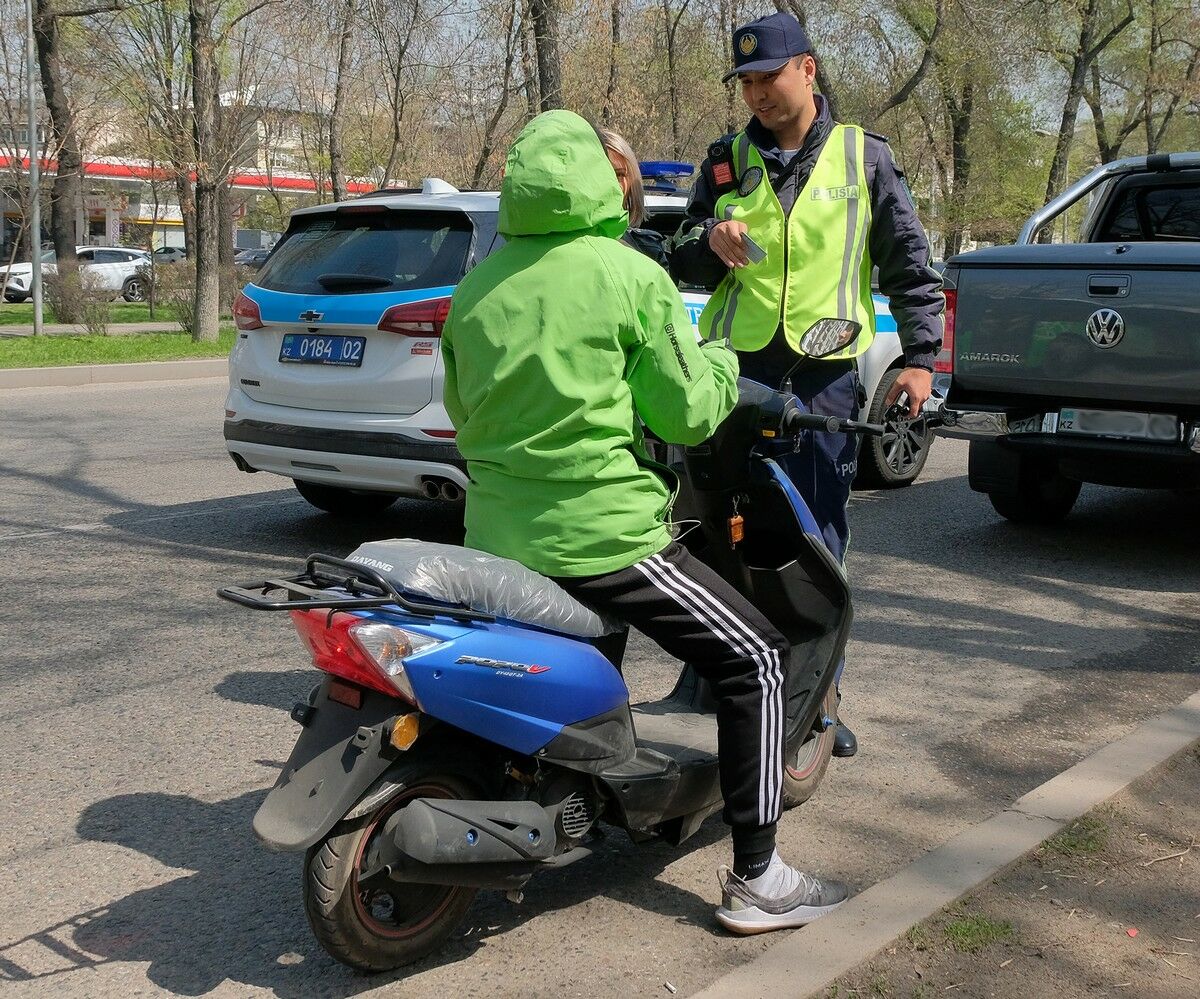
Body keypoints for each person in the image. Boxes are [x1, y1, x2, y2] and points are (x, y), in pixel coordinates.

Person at [441, 109, 850, 933]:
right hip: (605, 537)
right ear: (598, 180)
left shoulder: (477, 287)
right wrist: (727, 364)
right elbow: (689, 414)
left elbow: (460, 407)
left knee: (585, 663)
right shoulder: (629, 275)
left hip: (494, 536)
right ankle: (759, 877)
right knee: (759, 660)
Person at [672, 12, 944, 759]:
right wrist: (707, 241)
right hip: (736, 377)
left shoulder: (864, 158)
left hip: (824, 382)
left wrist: (920, 358)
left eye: (768, 76)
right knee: (722, 537)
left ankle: (820, 702)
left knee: (816, 539)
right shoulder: (725, 162)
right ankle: (729, 688)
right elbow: (678, 256)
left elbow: (911, 267)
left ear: (808, 70)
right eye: (746, 81)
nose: (756, 92)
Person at [596, 125, 669, 266]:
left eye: (619, 174)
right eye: (602, 173)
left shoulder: (648, 251)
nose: (611, 183)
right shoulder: (559, 247)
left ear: (631, 180)